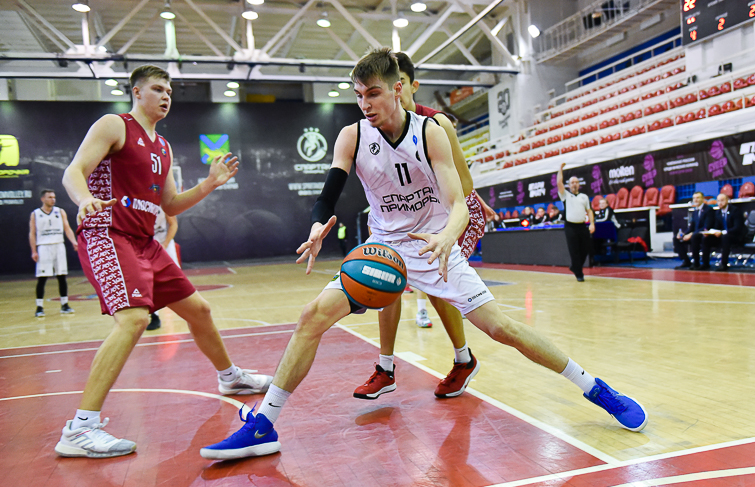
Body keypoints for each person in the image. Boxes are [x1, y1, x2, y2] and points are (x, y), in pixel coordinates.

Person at [201, 48, 647, 461]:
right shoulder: (352, 136)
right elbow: (328, 195)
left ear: (398, 89)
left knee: (502, 328)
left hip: (434, 244)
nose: (365, 104)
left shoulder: (431, 131)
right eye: (359, 95)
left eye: (374, 93)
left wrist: (448, 236)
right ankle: (264, 425)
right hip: (384, 249)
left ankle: (597, 389)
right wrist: (318, 225)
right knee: (311, 316)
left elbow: (459, 203)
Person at [56, 64, 271, 459]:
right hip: (108, 233)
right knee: (134, 319)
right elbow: (74, 171)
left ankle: (230, 378)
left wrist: (209, 184)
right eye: (157, 89)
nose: (166, 96)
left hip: (144, 241)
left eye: (169, 91)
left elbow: (169, 204)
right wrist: (84, 198)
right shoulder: (114, 125)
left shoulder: (163, 147)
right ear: (137, 92)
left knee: (199, 310)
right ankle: (80, 428)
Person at [356, 50, 494, 389]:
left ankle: (463, 358)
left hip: (448, 216)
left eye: (400, 83)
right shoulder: (378, 129)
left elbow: (464, 184)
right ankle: (385, 367)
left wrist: (440, 216)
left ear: (407, 86)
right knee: (386, 275)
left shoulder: (436, 124)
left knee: (439, 288)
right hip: (410, 218)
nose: (396, 91)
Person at [29, 189, 78, 317]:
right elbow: (32, 233)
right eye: (50, 197)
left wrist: (74, 242)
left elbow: (67, 228)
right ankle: (39, 307)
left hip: (59, 245)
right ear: (43, 199)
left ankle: (65, 304)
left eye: (54, 197)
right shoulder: (35, 214)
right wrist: (34, 250)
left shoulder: (60, 211)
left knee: (62, 276)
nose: (53, 199)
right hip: (44, 247)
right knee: (42, 278)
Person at [557, 164, 595, 282]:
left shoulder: (584, 197)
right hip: (570, 226)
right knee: (574, 250)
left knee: (586, 248)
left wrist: (592, 223)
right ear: (569, 185)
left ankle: (575, 266)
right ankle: (579, 273)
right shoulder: (565, 195)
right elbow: (559, 183)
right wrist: (560, 169)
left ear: (579, 184)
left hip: (582, 225)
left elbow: (589, 211)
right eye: (572, 182)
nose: (574, 184)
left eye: (576, 182)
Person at [147, 207, 179, 330]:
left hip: (165, 241)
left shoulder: (163, 203)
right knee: (149, 280)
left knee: (177, 276)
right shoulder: (137, 204)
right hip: (147, 243)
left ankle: (192, 308)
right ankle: (154, 316)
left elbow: (173, 224)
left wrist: (165, 244)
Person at [704, 193, 744, 271]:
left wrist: (723, 232)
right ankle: (705, 264)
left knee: (725, 237)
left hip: (735, 236)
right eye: (718, 201)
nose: (720, 203)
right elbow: (717, 227)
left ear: (727, 200)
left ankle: (724, 264)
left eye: (722, 200)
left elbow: (737, 227)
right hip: (723, 236)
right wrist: (711, 232)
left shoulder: (735, 211)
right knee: (706, 238)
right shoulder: (718, 212)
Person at [673, 192, 714, 270]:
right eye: (694, 198)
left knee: (694, 237)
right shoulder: (695, 212)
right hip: (695, 234)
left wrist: (692, 233)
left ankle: (697, 263)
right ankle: (686, 260)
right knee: (676, 238)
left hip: (704, 234)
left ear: (703, 199)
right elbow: (691, 227)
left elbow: (707, 226)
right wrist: (684, 234)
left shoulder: (708, 210)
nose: (696, 200)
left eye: (698, 198)